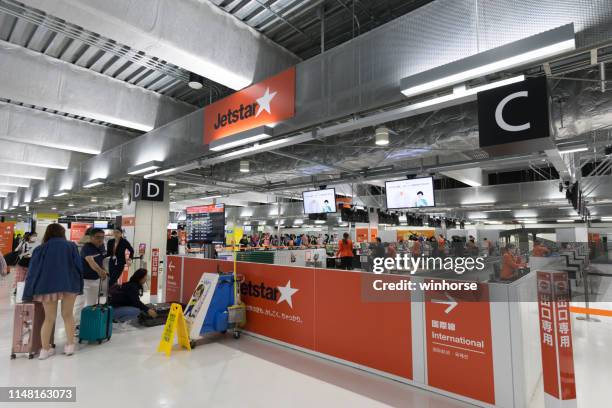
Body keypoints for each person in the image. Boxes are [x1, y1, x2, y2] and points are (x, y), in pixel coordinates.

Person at [22, 224, 82, 359]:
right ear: (62, 233)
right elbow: (78, 267)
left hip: (46, 286)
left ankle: (44, 350)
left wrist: (28, 292)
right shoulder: (71, 246)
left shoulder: (40, 249)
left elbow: (33, 272)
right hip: (69, 284)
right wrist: (80, 285)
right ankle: (70, 346)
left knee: (49, 318)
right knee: (68, 315)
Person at [74, 228, 107, 325]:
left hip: (95, 280)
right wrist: (100, 271)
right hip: (83, 280)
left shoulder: (101, 246)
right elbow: (91, 261)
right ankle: (77, 325)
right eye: (97, 237)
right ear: (91, 237)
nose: (100, 239)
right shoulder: (86, 247)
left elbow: (101, 261)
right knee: (80, 303)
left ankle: (89, 323)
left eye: (102, 237)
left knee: (92, 303)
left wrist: (104, 270)